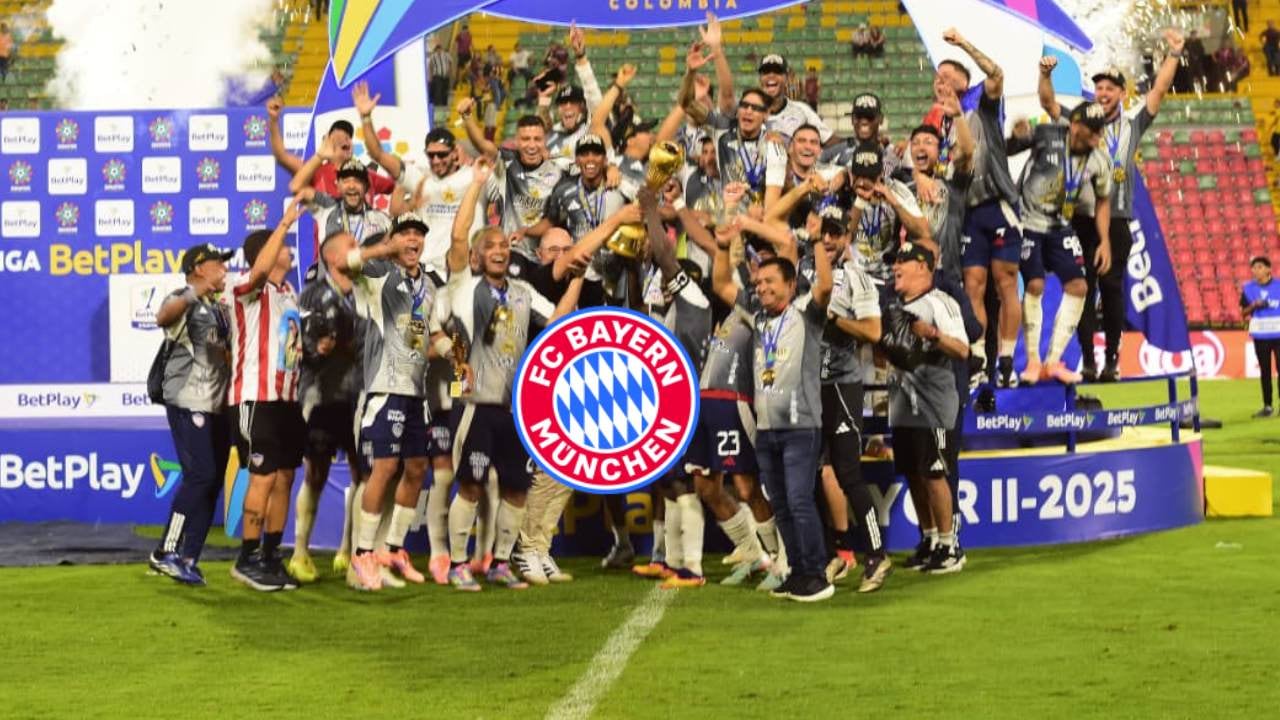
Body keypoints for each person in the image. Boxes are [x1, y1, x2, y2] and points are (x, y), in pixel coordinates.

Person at [442, 160, 585, 591]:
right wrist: (477, 184)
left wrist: (576, 277)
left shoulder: (523, 292)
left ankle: (502, 562)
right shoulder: (465, 285)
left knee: (517, 488)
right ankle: (457, 564)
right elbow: (455, 236)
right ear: (476, 256)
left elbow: (560, 318)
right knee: (469, 485)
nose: (500, 250)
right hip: (475, 403)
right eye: (491, 246)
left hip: (515, 407)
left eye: (504, 244)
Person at [711, 202, 836, 603]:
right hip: (767, 430)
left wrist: (816, 240)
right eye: (759, 283)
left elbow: (826, 287)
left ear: (789, 283)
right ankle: (798, 573)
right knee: (781, 505)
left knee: (799, 500)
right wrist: (720, 247)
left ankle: (817, 575)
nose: (761, 288)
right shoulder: (758, 318)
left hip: (801, 428)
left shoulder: (806, 315)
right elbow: (721, 285)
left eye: (769, 282)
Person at [334, 213, 449, 591]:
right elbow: (345, 262)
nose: (413, 240)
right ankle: (363, 553)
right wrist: (385, 246)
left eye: (418, 234)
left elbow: (431, 335)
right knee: (382, 468)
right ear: (395, 239)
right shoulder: (378, 273)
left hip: (416, 392)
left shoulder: (429, 286)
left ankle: (392, 549)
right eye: (406, 233)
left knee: (417, 468)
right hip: (384, 389)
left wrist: (457, 355)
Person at [1071, 30, 1182, 382]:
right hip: (1082, 219)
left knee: (1112, 288)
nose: (1103, 93)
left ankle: (1112, 360)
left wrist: (1174, 54)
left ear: (1121, 94)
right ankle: (1088, 360)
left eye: (1110, 88)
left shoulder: (1132, 123)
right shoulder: (1081, 122)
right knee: (1082, 292)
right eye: (1099, 88)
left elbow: (1159, 91)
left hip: (1117, 219)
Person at [227, 198, 308, 592]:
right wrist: (284, 221)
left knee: (285, 477)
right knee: (262, 475)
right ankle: (246, 558)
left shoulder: (290, 292)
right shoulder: (245, 287)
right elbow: (259, 271)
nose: (290, 249)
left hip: (287, 400)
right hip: (255, 398)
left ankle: (271, 557)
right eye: (284, 243)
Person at [811, 205, 892, 593]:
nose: (828, 239)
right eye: (823, 232)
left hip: (842, 385)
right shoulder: (804, 271)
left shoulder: (858, 279)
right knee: (818, 472)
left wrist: (834, 319)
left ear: (847, 237)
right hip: (812, 386)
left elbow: (874, 332)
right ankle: (839, 552)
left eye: (835, 232)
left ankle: (877, 553)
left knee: (848, 473)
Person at [936, 28, 1021, 389]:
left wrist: (963, 44)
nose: (940, 82)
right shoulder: (939, 125)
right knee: (973, 285)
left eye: (947, 76)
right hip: (967, 214)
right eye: (937, 78)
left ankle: (1007, 361)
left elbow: (997, 73)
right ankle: (979, 361)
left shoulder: (982, 107)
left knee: (1005, 285)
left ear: (964, 81)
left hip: (998, 206)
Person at [147, 243, 234, 586]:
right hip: (186, 401)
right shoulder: (184, 298)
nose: (224, 269)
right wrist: (194, 291)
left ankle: (188, 558)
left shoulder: (219, 307)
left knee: (210, 481)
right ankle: (164, 553)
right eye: (218, 264)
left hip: (217, 405)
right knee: (200, 475)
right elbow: (162, 317)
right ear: (199, 268)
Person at [882, 242, 970, 573]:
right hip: (904, 403)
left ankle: (950, 547)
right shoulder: (894, 306)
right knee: (915, 475)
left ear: (923, 266)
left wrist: (930, 333)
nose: (895, 268)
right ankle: (930, 539)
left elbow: (962, 349)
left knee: (934, 473)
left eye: (902, 262)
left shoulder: (939, 302)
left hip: (934, 403)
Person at [286, 228, 367, 584]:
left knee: (362, 474)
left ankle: (349, 551)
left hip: (359, 396)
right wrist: (315, 347)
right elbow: (298, 342)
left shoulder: (368, 292)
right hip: (320, 397)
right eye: (352, 246)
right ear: (333, 257)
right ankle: (300, 552)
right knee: (315, 473)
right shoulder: (314, 295)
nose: (359, 251)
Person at [1021, 82, 1114, 386]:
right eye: (1093, 131)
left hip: (1062, 226)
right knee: (1034, 284)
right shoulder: (1048, 136)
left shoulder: (1100, 160)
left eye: (1101, 131)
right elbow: (1046, 101)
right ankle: (1032, 360)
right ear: (1076, 126)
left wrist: (1105, 241)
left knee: (1078, 286)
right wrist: (1044, 75)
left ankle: (1052, 361)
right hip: (1028, 222)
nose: (1098, 137)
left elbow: (1103, 200)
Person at [356, 83, 483, 268]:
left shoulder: (475, 177)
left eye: (442, 154)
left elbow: (489, 151)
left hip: (462, 271)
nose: (436, 160)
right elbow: (378, 155)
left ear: (455, 152)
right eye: (431, 155)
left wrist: (468, 117)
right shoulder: (419, 177)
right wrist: (366, 118)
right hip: (426, 270)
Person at [457, 99, 563, 260]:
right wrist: (467, 116)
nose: (532, 145)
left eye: (537, 139)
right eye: (526, 139)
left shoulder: (557, 173)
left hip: (542, 258)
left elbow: (551, 220)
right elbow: (483, 146)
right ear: (516, 141)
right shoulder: (507, 164)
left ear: (545, 141)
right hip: (509, 254)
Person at [1242, 256, 1280, 417]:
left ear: (1268, 269)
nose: (1255, 271)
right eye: (1253, 268)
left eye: (1259, 267)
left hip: (1278, 334)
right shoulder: (1248, 288)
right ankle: (1268, 406)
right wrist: (1253, 305)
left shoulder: (1278, 286)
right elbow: (1243, 312)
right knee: (1265, 371)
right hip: (1261, 335)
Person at [429, 42, 455, 109]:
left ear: (442, 49)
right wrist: (431, 76)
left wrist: (450, 73)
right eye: (438, 49)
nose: (439, 50)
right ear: (436, 49)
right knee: (438, 91)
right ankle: (439, 106)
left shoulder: (446, 55)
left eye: (440, 49)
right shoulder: (433, 56)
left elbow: (450, 63)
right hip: (437, 76)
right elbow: (430, 66)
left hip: (445, 76)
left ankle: (444, 106)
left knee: (445, 92)